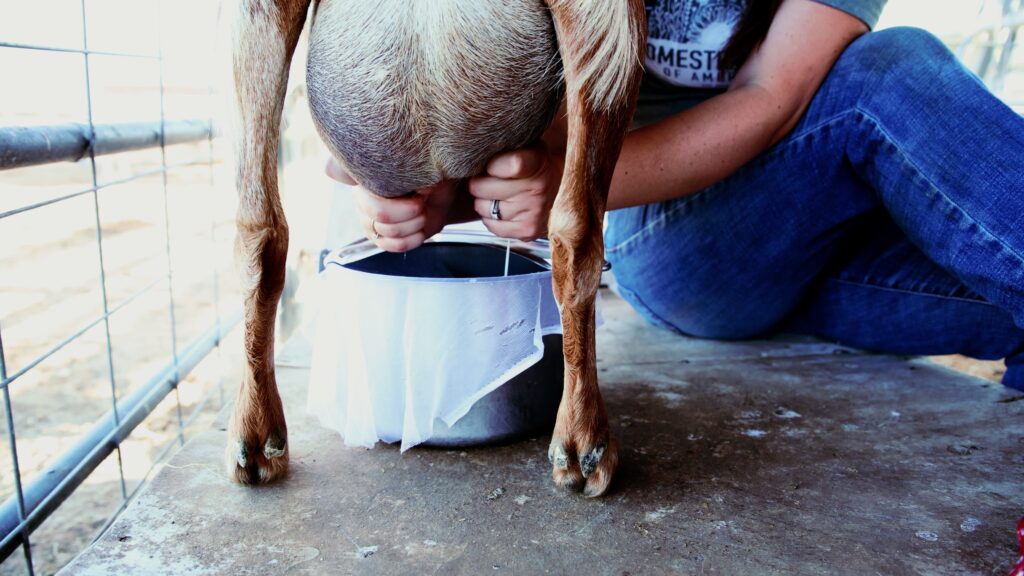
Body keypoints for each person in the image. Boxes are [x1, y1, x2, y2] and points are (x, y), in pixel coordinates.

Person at [326, 0, 1024, 391]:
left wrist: (568, 186)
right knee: (889, 68)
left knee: (1007, 302)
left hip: (789, 232)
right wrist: (423, 195)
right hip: (665, 237)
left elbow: (772, 96)